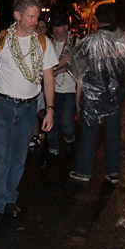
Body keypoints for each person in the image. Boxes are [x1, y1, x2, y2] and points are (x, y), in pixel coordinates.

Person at [0, 0, 57, 226]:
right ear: (18, 15)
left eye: (37, 17)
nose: (35, 21)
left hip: (28, 107)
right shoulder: (0, 40)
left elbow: (49, 78)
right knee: (1, 154)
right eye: (31, 16)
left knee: (19, 157)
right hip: (2, 104)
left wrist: (50, 109)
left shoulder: (43, 43)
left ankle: (9, 199)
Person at [69, 3, 125, 184]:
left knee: (88, 131)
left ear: (96, 19)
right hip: (115, 94)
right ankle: (113, 172)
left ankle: (84, 171)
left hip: (92, 93)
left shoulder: (91, 40)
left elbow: (76, 61)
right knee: (112, 133)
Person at [46, 13, 77, 159]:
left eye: (59, 26)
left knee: (66, 121)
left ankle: (70, 141)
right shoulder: (47, 43)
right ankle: (53, 150)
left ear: (66, 27)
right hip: (52, 89)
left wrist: (54, 69)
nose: (56, 30)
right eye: (54, 27)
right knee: (51, 120)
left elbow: (74, 63)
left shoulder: (75, 42)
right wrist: (59, 67)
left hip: (69, 90)